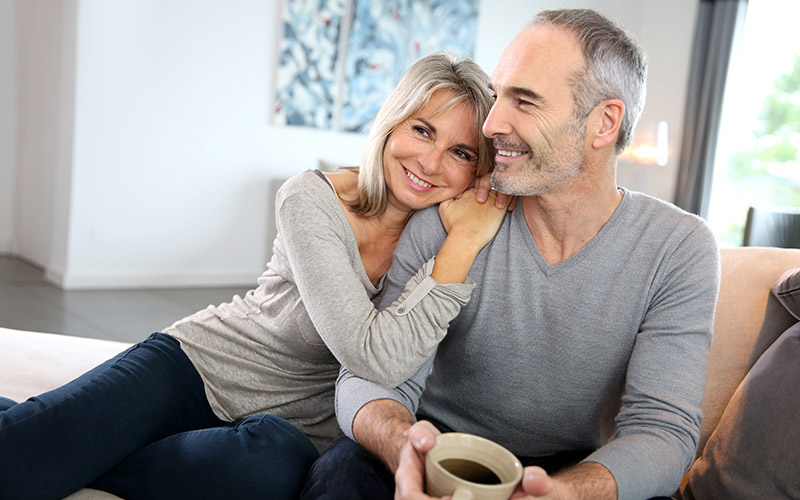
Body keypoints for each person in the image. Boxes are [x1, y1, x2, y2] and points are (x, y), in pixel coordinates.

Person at [0, 52, 511, 500]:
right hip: (198, 368)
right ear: (393, 125)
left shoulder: (446, 239)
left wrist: (461, 240)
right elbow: (372, 353)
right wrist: (462, 245)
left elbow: (390, 372)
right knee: (19, 469)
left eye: (461, 152)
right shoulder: (312, 198)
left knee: (270, 470)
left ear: (478, 170)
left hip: (289, 432)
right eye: (422, 130)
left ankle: (77, 446)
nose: (430, 160)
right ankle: (57, 438)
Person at [303, 8, 720, 500]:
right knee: (340, 474)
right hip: (435, 439)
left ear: (604, 123)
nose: (492, 123)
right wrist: (404, 445)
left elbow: (663, 432)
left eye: (524, 101)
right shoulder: (450, 217)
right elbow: (370, 379)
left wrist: (565, 493)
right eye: (499, 95)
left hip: (570, 466)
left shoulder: (680, 247)